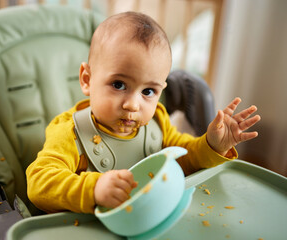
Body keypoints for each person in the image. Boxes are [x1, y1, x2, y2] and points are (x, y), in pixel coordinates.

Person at [26, 11, 260, 214]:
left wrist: (212, 145)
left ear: (161, 91)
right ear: (87, 80)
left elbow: (184, 158)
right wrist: (94, 189)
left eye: (148, 91)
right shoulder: (71, 132)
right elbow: (39, 183)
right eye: (118, 85)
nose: (133, 105)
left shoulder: (157, 120)